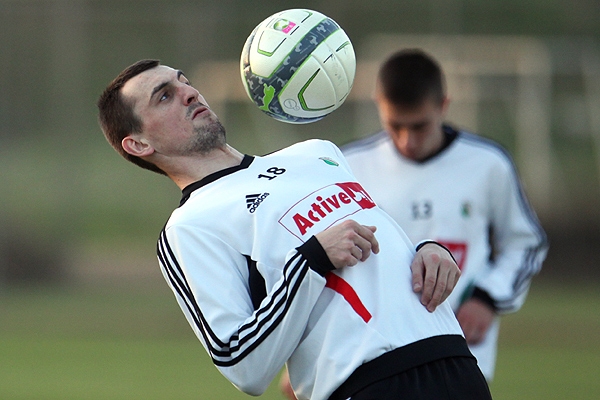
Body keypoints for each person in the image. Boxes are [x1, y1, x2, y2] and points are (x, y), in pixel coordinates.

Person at [97, 59, 492, 400]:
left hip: (455, 363)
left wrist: (427, 248)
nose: (188, 92)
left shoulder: (316, 152)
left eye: (183, 80)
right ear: (138, 144)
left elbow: (382, 236)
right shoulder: (189, 226)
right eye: (164, 96)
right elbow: (242, 364)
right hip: (371, 384)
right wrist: (313, 259)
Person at [342, 49, 549, 381]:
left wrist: (488, 298)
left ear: (444, 105)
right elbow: (331, 260)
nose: (408, 140)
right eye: (396, 125)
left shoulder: (488, 163)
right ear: (378, 105)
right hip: (372, 353)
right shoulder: (348, 166)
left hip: (460, 353)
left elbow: (525, 244)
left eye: (419, 126)